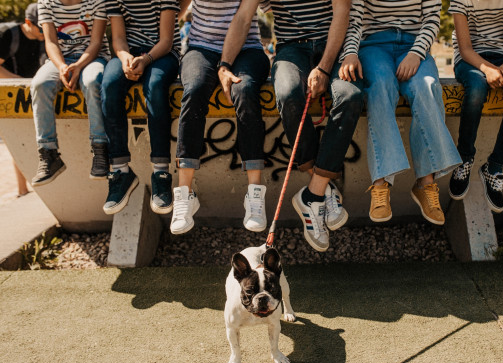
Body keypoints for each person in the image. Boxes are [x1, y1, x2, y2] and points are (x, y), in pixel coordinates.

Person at [220, 0, 364, 252]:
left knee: (350, 96)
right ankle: (321, 186)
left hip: (335, 46)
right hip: (290, 50)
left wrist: (324, 68)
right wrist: (225, 65)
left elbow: (342, 14)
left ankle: (313, 193)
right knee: (288, 95)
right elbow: (244, 17)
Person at [340, 0, 462, 225]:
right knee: (380, 86)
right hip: (373, 46)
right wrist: (349, 53)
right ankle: (381, 182)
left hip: (414, 45)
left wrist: (416, 53)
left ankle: (426, 183)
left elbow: (432, 19)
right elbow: (354, 20)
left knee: (426, 87)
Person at [169, 0, 271, 235]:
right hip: (201, 49)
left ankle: (255, 193)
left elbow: (245, 18)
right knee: (194, 90)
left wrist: (224, 66)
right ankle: (185, 194)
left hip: (247, 48)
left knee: (244, 91)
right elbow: (175, 10)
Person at [448, 0, 503, 213]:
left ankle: (494, 167)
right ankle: (464, 159)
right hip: (469, 59)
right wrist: (487, 70)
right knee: (476, 89)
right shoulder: (462, 1)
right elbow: (465, 49)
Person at [101, 0, 181, 215]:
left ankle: (161, 173)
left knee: (154, 86)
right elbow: (118, 38)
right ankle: (120, 171)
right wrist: (125, 57)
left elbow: (166, 40)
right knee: (109, 85)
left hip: (164, 53)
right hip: (130, 51)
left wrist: (145, 61)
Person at [30, 0, 111, 187]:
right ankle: (48, 153)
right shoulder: (46, 3)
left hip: (93, 57)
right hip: (61, 59)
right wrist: (62, 67)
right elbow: (50, 42)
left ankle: (100, 149)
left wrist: (79, 65)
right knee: (40, 84)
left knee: (92, 82)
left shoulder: (96, 2)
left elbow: (96, 41)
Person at [0, 3, 45, 196]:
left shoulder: (44, 37)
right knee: (19, 141)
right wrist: (19, 81)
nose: (45, 31)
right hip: (12, 93)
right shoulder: (9, 36)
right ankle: (22, 190)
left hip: (34, 90)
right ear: (28, 22)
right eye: (41, 27)